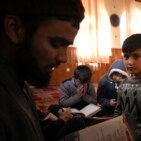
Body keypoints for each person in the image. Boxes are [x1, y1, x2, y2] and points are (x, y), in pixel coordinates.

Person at [0, 0, 84, 140]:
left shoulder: (19, 80)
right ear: (15, 29)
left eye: (67, 46)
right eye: (56, 43)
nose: (63, 58)